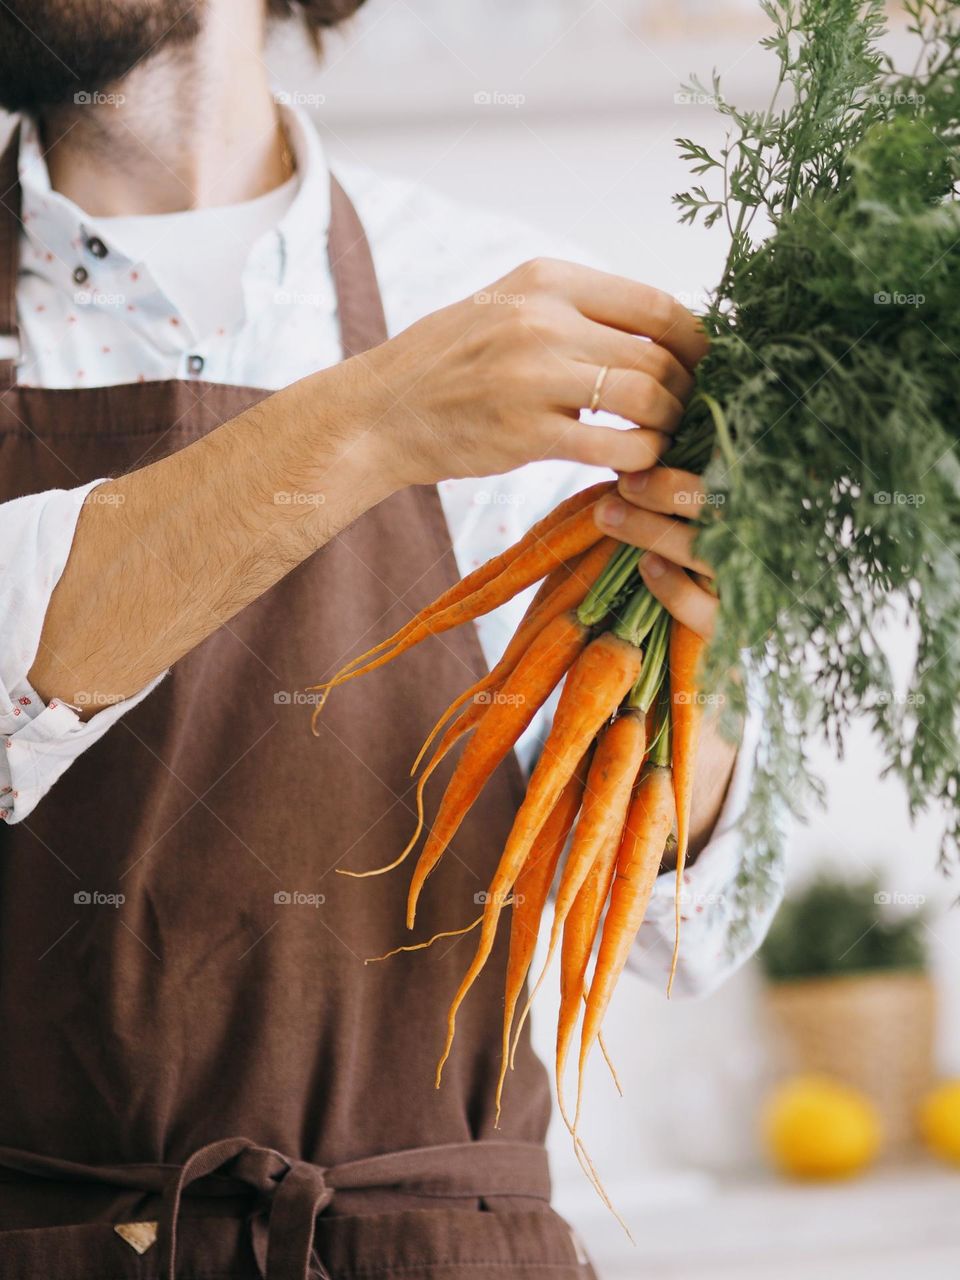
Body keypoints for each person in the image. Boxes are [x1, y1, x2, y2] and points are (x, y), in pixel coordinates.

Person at [0, 2, 781, 1276]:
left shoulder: (500, 294)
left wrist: (704, 658)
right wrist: (377, 418)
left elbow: (686, 928)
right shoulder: (456, 351)